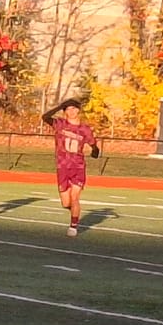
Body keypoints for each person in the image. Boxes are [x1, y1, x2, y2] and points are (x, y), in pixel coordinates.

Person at [42, 98, 99, 237]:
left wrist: (94, 151)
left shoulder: (84, 129)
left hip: (78, 167)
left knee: (75, 197)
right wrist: (59, 106)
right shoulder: (60, 124)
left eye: (74, 108)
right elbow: (45, 117)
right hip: (62, 166)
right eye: (68, 109)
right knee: (66, 202)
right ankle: (74, 211)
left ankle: (73, 226)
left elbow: (94, 146)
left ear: (78, 110)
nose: (71, 111)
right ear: (65, 112)